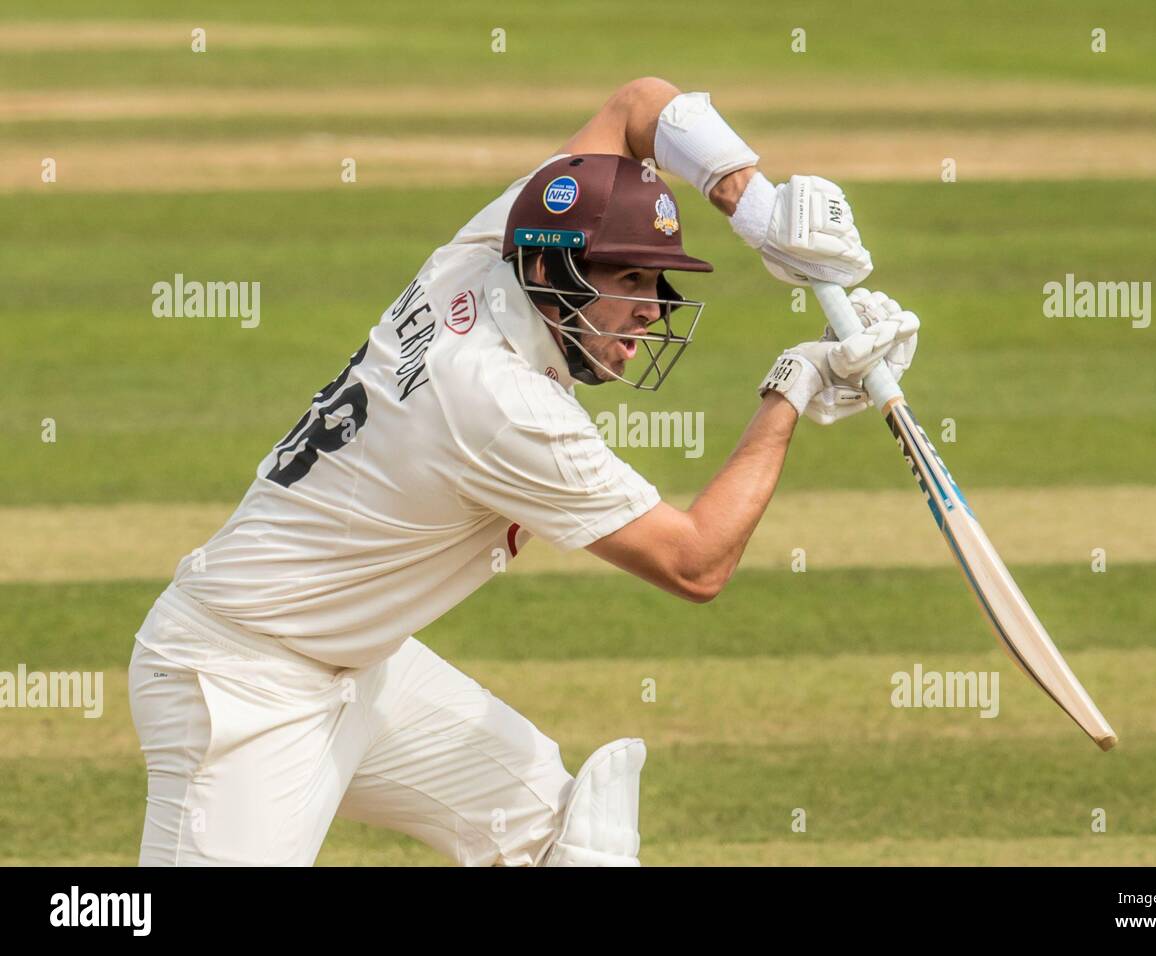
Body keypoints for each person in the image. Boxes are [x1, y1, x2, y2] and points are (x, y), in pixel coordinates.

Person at [128, 77, 921, 867]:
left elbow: (638, 105)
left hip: (361, 662)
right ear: (552, 275)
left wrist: (755, 208)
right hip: (239, 680)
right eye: (630, 280)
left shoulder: (489, 248)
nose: (652, 310)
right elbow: (696, 562)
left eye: (656, 282)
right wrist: (797, 383)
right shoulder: (499, 403)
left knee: (568, 837)